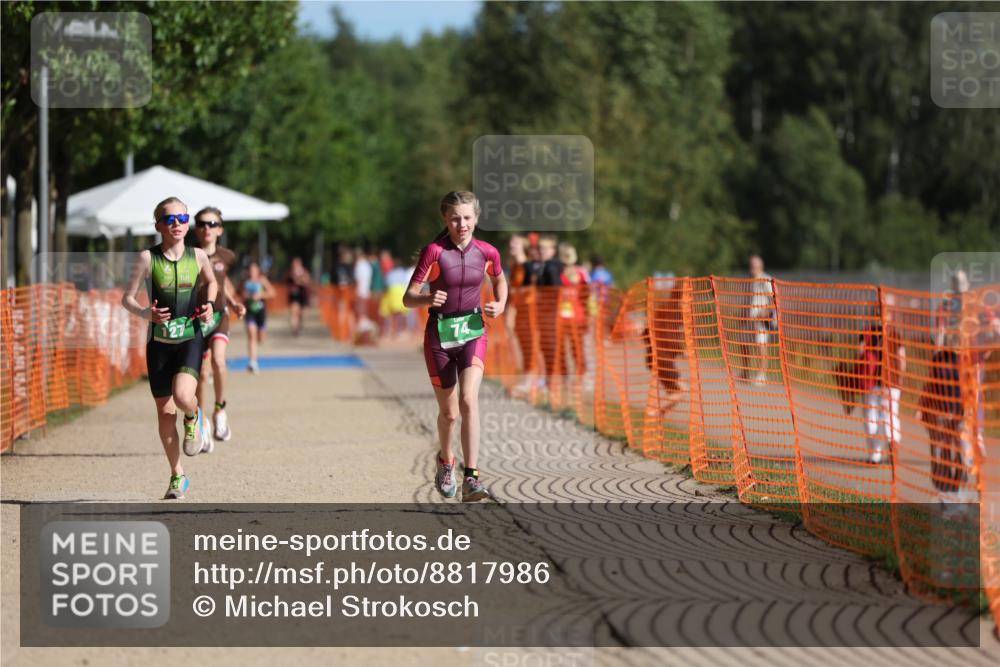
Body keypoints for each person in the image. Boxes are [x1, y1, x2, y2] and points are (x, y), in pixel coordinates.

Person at [403, 191, 507, 503]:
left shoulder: (488, 252)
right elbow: (408, 297)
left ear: (476, 218)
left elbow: (500, 281)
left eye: (466, 218)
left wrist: (500, 303)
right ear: (445, 220)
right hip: (440, 336)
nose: (461, 224)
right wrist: (425, 298)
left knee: (468, 400)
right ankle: (446, 461)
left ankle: (471, 477)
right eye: (454, 218)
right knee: (449, 414)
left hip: (473, 331)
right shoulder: (434, 252)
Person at [121, 196, 218, 500]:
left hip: (190, 336)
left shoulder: (199, 256)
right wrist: (144, 313)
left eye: (183, 218)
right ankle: (178, 476)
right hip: (159, 343)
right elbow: (127, 297)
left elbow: (212, 283)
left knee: (182, 397)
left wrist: (210, 305)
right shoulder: (147, 259)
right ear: (159, 226)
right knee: (164, 414)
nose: (177, 224)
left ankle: (193, 416)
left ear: (188, 223)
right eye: (170, 220)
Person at [193, 207, 246, 443]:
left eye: (212, 224)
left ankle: (220, 409)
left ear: (220, 230)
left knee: (218, 361)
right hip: (196, 319)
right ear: (196, 228)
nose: (207, 228)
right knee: (202, 375)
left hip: (219, 316)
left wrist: (234, 303)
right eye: (203, 223)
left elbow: (222, 284)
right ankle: (201, 419)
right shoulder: (187, 255)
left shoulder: (227, 256)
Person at [242, 261, 276, 374]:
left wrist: (261, 295)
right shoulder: (245, 282)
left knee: (260, 338)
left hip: (261, 312)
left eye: (254, 270)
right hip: (250, 312)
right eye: (250, 270)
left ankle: (254, 355)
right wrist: (245, 297)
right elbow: (240, 294)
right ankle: (253, 362)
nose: (252, 272)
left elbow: (272, 292)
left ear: (258, 271)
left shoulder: (262, 280)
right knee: (252, 335)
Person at [747, 254, 775, 385]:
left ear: (760, 266)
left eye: (755, 265)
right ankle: (746, 371)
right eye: (752, 265)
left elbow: (773, 299)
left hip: (762, 319)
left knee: (761, 345)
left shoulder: (766, 279)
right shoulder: (751, 280)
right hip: (752, 319)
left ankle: (762, 375)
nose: (753, 268)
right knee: (747, 344)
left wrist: (766, 313)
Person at [286, 257, 312, 336]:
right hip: (293, 295)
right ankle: (294, 328)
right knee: (293, 311)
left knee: (300, 312)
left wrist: (299, 281)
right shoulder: (291, 272)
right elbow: (287, 281)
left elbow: (307, 281)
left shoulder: (304, 272)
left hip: (302, 295)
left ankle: (299, 325)